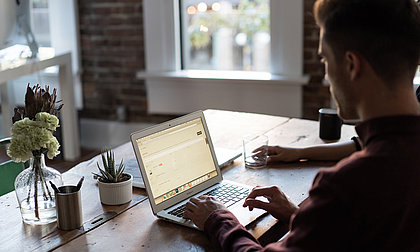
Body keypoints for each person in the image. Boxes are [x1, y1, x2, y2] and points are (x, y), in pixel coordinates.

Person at [184, 0, 420, 251]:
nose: (326, 77)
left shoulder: (348, 186)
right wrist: (300, 216)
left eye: (325, 61)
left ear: (352, 65)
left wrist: (218, 219)